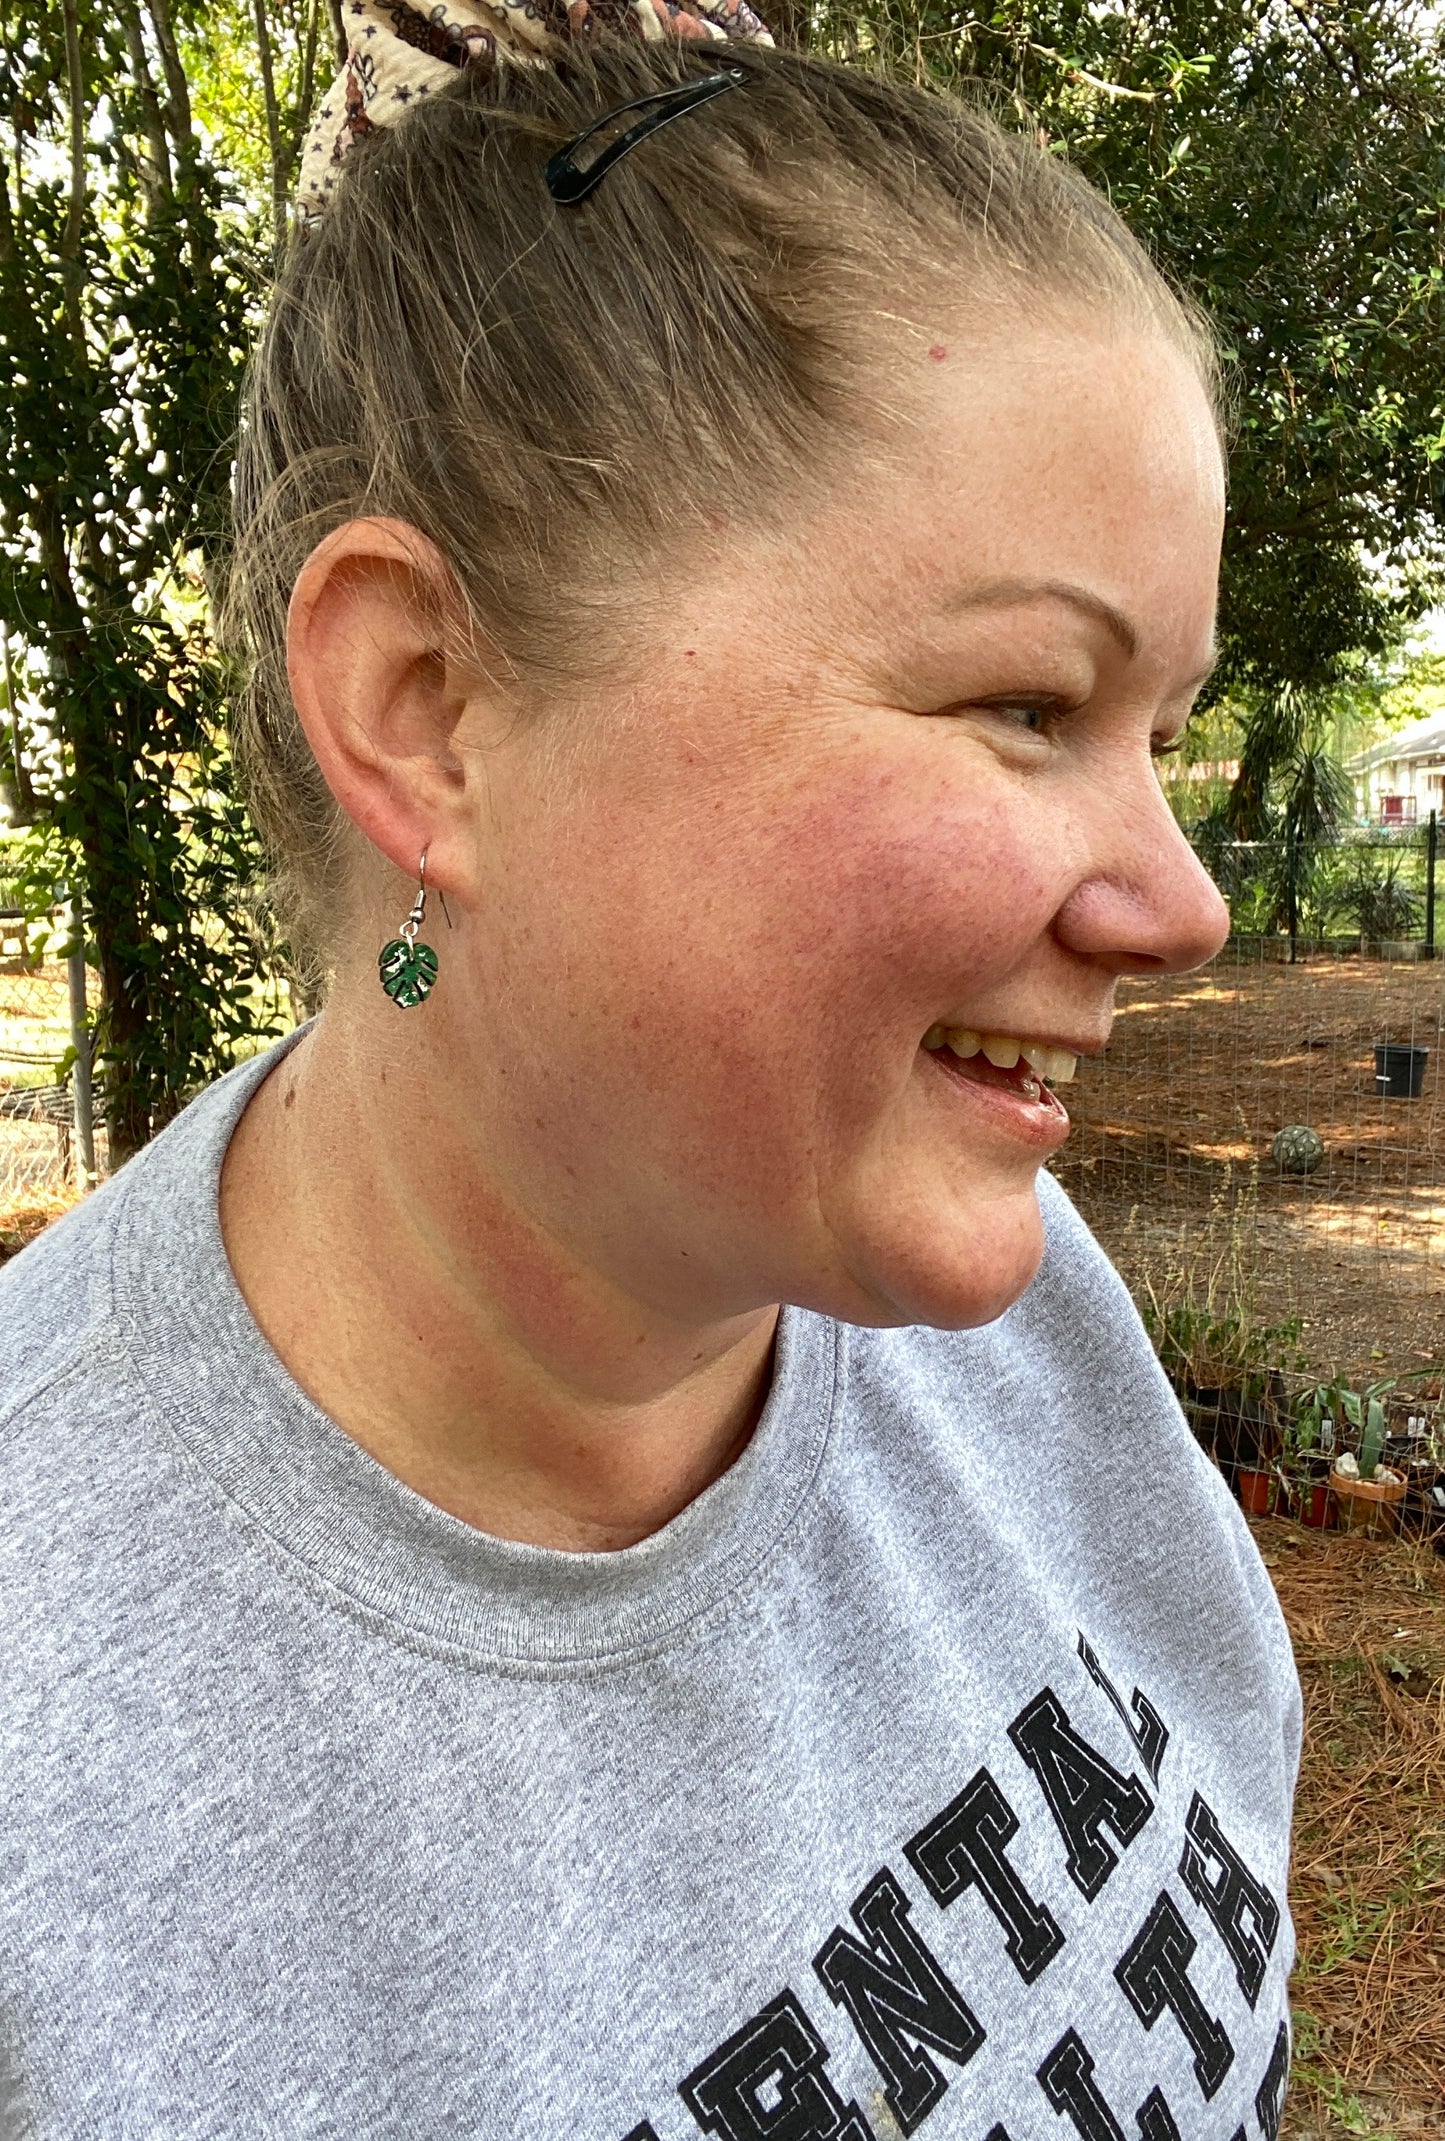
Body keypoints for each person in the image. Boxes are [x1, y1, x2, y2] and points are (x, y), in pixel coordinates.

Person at [0, 6, 1300, 2135]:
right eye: (1026, 705)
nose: (1182, 902)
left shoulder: (1001, 1305)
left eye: (1157, 732)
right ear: (428, 709)